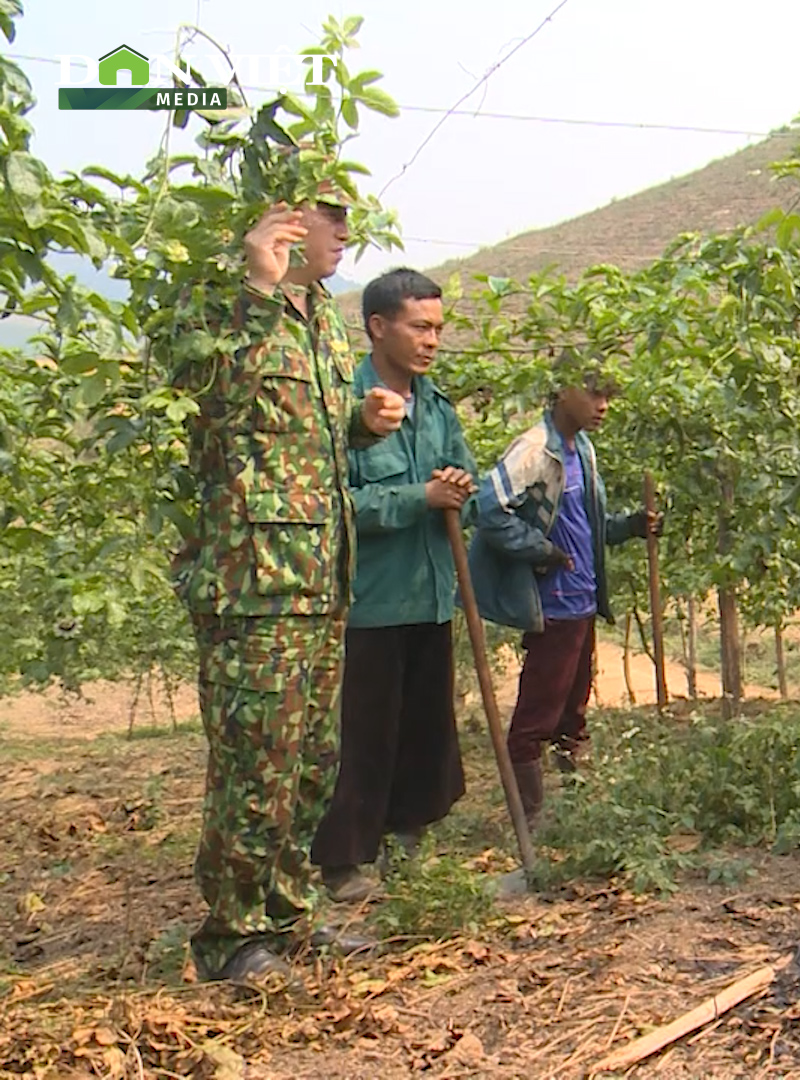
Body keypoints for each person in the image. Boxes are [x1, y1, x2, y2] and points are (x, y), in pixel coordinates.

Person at [173, 192, 406, 990]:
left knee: (308, 763)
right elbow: (208, 412)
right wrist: (256, 291)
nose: (346, 230)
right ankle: (231, 940)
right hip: (252, 582)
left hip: (318, 575)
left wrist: (360, 417)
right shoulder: (225, 306)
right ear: (281, 220)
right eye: (328, 213)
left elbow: (303, 428)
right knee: (254, 764)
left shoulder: (323, 315)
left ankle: (287, 913)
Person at [310, 268, 477, 902]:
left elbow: (469, 484)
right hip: (371, 602)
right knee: (363, 733)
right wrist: (419, 498)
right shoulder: (344, 405)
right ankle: (346, 859)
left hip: (432, 592)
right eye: (420, 327)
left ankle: (411, 838)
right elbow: (337, 503)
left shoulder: (437, 406)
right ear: (379, 327)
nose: (432, 340)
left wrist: (461, 491)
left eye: (438, 328)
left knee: (425, 727)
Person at [468, 379, 659, 826]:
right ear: (559, 391)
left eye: (609, 395)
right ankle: (529, 820)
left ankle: (577, 809)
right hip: (552, 606)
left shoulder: (583, 451)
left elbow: (587, 527)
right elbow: (487, 509)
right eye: (594, 394)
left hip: (582, 602)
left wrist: (630, 526)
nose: (603, 406)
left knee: (573, 711)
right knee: (537, 717)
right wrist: (539, 550)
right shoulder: (535, 450)